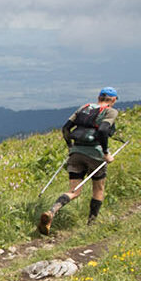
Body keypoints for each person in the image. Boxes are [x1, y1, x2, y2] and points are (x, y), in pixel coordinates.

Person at [39, 87, 120, 235]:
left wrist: (70, 147)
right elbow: (102, 130)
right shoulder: (111, 111)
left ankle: (52, 211)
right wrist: (107, 153)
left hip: (76, 153)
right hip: (95, 154)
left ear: (98, 97)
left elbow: (65, 129)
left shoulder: (84, 108)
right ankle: (92, 224)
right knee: (98, 188)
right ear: (113, 100)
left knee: (74, 191)